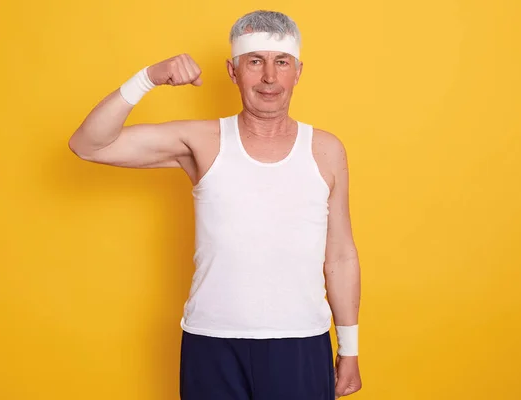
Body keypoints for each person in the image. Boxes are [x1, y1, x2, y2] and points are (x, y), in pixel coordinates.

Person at [68, 9, 362, 399]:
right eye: (255, 62)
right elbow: (88, 144)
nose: (270, 77)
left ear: (298, 70)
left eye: (281, 63)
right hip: (212, 342)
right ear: (233, 70)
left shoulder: (326, 149)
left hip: (300, 340)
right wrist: (148, 79)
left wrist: (350, 349)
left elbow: (340, 255)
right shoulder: (202, 141)